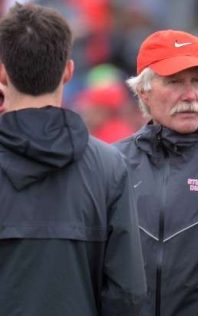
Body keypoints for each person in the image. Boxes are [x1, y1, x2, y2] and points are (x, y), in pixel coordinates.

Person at [0, 3, 146, 316]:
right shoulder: (110, 166)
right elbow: (127, 292)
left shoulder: (109, 165)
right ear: (68, 71)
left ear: (2, 71)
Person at [114, 29, 198, 315]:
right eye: (175, 82)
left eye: (197, 81)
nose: (189, 95)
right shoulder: (113, 163)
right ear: (143, 91)